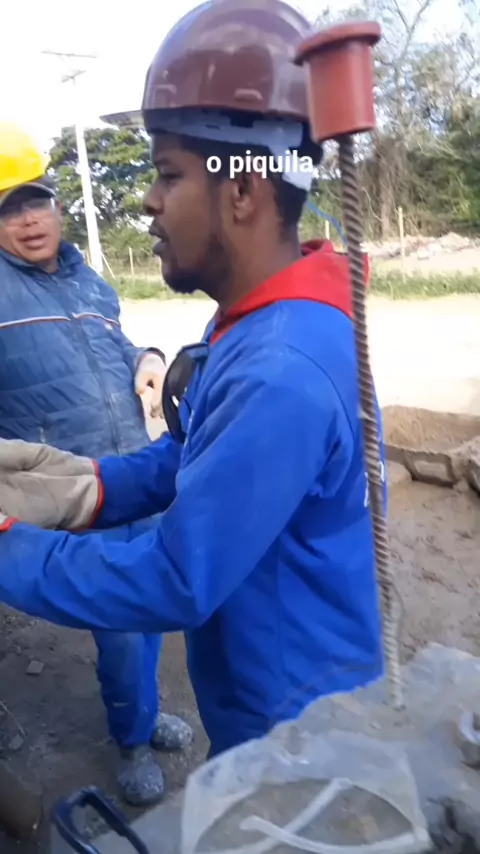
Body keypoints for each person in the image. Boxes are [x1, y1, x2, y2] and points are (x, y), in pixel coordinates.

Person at [0, 0, 386, 759]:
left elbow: (177, 576)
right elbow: (197, 456)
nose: (147, 200)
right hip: (268, 685)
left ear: (241, 191)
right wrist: (92, 487)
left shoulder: (281, 369)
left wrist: (8, 548)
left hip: (298, 727)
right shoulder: (252, 325)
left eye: (167, 174)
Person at [0, 122, 192, 805]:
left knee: (151, 605)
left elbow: (114, 349)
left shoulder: (90, 284)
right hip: (72, 493)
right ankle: (132, 740)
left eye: (37, 201)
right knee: (119, 626)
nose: (29, 220)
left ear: (57, 205)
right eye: (9, 210)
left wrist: (145, 359)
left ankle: (144, 711)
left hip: (134, 476)